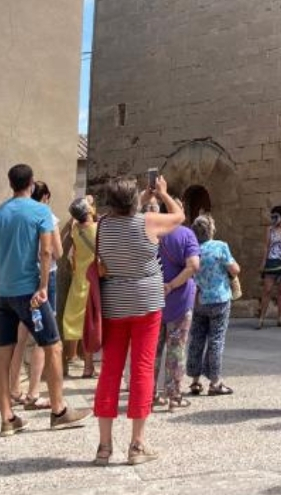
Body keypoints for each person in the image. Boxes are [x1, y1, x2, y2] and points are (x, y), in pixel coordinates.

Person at [0, 164, 92, 437]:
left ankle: (7, 418)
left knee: (4, 352)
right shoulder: (40, 211)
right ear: (30, 183)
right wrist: (42, 286)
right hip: (30, 294)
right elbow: (46, 251)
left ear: (11, 183)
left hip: (3, 293)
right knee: (52, 346)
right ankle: (59, 410)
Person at [93, 175, 185, 465]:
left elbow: (120, 213)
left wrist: (140, 199)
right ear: (134, 201)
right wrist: (164, 193)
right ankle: (137, 444)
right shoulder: (148, 222)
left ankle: (104, 447)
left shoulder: (103, 225)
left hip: (114, 304)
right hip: (146, 302)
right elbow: (179, 217)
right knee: (142, 369)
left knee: (110, 370)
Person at [8, 181, 63, 410]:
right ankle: (33, 393)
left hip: (21, 281)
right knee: (44, 337)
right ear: (47, 196)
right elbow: (56, 252)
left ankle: (13, 389)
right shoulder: (46, 215)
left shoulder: (17, 214)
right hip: (44, 281)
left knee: (20, 338)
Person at [153, 202, 200, 410]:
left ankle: (149, 395)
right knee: (176, 349)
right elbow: (193, 265)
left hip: (151, 300)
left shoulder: (150, 233)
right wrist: (171, 285)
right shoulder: (186, 234)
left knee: (151, 351)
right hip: (179, 300)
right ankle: (173, 396)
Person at [187, 215, 239, 396]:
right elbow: (234, 269)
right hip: (219, 299)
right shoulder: (220, 246)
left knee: (197, 339)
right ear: (211, 229)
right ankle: (215, 382)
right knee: (216, 339)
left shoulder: (193, 251)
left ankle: (194, 381)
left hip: (199, 299)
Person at [61, 197, 98, 378]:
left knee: (75, 319)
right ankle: (88, 365)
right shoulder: (98, 230)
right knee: (91, 324)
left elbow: (72, 222)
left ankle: (71, 357)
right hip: (94, 281)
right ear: (89, 211)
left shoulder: (75, 230)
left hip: (79, 279)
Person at [258, 205, 281, 329]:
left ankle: (280, 318)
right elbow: (267, 246)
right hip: (272, 261)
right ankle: (261, 318)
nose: (274, 219)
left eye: (276, 217)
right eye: (272, 217)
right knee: (267, 290)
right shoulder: (270, 229)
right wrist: (263, 262)